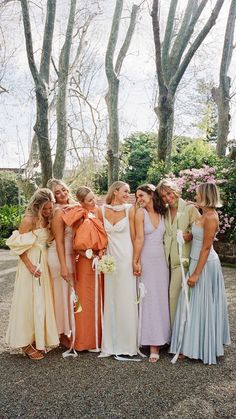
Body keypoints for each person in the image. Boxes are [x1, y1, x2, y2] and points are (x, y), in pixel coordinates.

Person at [170, 182, 231, 365]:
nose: (194, 196)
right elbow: (198, 236)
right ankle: (190, 345)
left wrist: (196, 274)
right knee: (191, 303)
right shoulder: (202, 214)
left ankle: (202, 347)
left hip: (204, 265)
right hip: (196, 261)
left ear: (205, 195)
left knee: (200, 304)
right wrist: (187, 236)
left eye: (197, 194)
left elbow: (206, 247)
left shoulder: (211, 217)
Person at [6, 188, 59, 360]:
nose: (48, 211)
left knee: (41, 301)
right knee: (27, 302)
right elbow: (18, 247)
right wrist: (30, 267)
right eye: (45, 208)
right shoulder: (28, 220)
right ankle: (24, 344)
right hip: (30, 264)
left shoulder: (47, 219)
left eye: (50, 208)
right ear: (36, 206)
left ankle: (38, 339)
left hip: (42, 263)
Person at [62, 186, 107, 352]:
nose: (94, 202)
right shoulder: (79, 215)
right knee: (85, 301)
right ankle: (84, 341)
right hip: (85, 262)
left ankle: (99, 340)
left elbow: (104, 236)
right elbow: (76, 244)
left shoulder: (97, 212)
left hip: (99, 261)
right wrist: (90, 255)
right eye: (89, 200)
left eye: (94, 198)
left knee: (99, 299)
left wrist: (101, 251)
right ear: (81, 202)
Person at [100, 181, 138, 360]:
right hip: (110, 259)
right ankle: (111, 343)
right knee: (111, 298)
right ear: (115, 191)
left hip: (126, 256)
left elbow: (134, 236)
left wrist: (135, 260)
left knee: (126, 298)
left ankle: (128, 343)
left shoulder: (130, 209)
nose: (127, 194)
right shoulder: (101, 210)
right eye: (125, 191)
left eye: (128, 192)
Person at [133, 184, 171, 362]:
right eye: (137, 197)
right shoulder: (140, 213)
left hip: (161, 261)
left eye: (141, 195)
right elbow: (139, 238)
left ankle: (164, 337)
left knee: (161, 298)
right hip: (147, 259)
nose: (139, 199)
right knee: (148, 298)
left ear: (150, 194)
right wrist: (136, 260)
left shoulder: (164, 212)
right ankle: (152, 343)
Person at [157, 179, 198, 326]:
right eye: (163, 196)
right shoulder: (165, 211)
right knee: (166, 297)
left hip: (183, 261)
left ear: (175, 191)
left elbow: (200, 233)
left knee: (174, 296)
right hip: (165, 261)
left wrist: (189, 236)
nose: (167, 198)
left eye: (169, 193)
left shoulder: (189, 209)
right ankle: (168, 333)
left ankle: (177, 338)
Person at [47, 179, 76, 348]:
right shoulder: (57, 212)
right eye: (57, 192)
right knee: (60, 296)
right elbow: (58, 241)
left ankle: (70, 330)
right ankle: (62, 334)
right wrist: (63, 266)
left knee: (69, 296)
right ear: (54, 197)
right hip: (59, 257)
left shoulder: (74, 206)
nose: (62, 194)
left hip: (72, 255)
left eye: (64, 190)